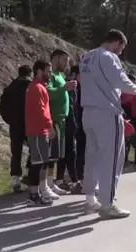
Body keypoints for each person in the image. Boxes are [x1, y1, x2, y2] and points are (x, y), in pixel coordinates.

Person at [80, 29, 136, 219]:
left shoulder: (86, 57)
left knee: (91, 156)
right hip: (106, 112)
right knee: (112, 159)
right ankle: (107, 204)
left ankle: (90, 199)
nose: (121, 52)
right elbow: (122, 81)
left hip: (88, 112)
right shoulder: (108, 57)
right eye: (121, 47)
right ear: (116, 42)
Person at [45, 49, 77, 199]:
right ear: (56, 59)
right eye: (65, 60)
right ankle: (47, 184)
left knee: (56, 156)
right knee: (50, 156)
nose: (67, 64)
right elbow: (47, 92)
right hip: (54, 120)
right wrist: (64, 88)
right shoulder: (50, 75)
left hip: (62, 121)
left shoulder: (61, 75)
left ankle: (51, 184)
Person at [25, 60, 55, 206]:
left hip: (41, 130)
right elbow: (40, 111)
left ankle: (37, 193)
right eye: (48, 71)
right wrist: (49, 126)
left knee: (41, 163)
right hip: (37, 131)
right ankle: (33, 195)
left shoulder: (41, 87)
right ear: (39, 71)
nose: (51, 74)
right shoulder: (36, 88)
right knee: (36, 164)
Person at [0, 65, 32, 193]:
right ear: (29, 73)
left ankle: (15, 180)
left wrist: (10, 120)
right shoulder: (31, 86)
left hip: (15, 124)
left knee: (16, 151)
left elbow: (2, 109)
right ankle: (30, 174)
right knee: (34, 149)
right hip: (29, 123)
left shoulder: (9, 88)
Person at [55, 66, 83, 194]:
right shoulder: (69, 88)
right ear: (74, 75)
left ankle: (63, 180)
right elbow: (70, 108)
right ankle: (73, 181)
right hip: (67, 125)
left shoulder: (76, 88)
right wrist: (75, 124)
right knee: (69, 153)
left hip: (72, 125)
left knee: (67, 153)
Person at [71, 66, 86, 186]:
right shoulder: (74, 89)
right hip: (76, 125)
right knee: (77, 152)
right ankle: (78, 178)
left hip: (84, 124)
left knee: (82, 151)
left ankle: (80, 177)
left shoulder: (84, 89)